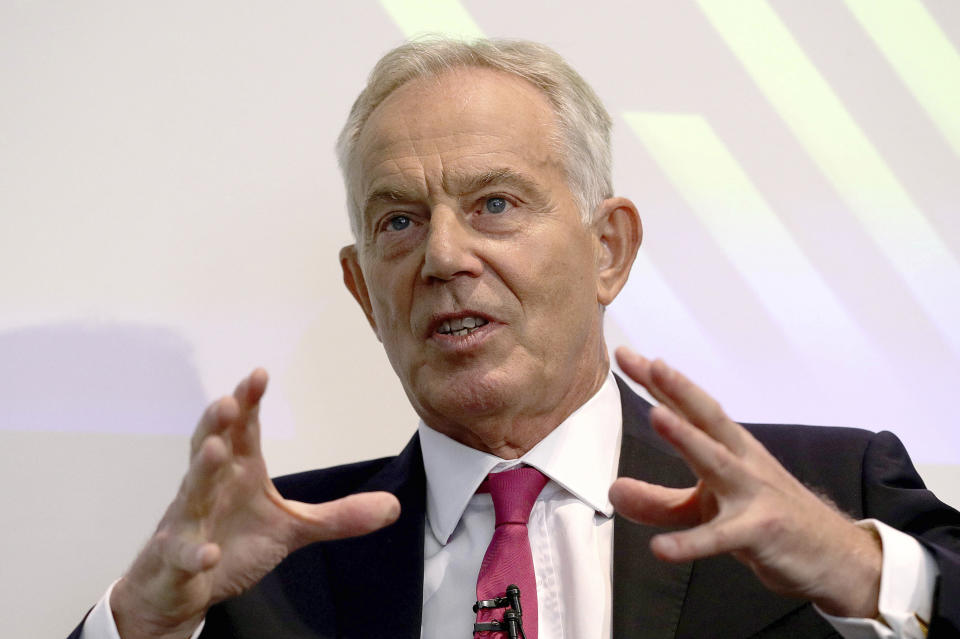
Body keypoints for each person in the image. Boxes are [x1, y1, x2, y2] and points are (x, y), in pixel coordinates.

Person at [72, 38, 960, 639]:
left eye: (494, 204)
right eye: (399, 221)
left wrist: (854, 564)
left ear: (608, 249)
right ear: (362, 289)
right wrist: (140, 615)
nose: (444, 255)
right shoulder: (269, 566)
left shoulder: (830, 490)